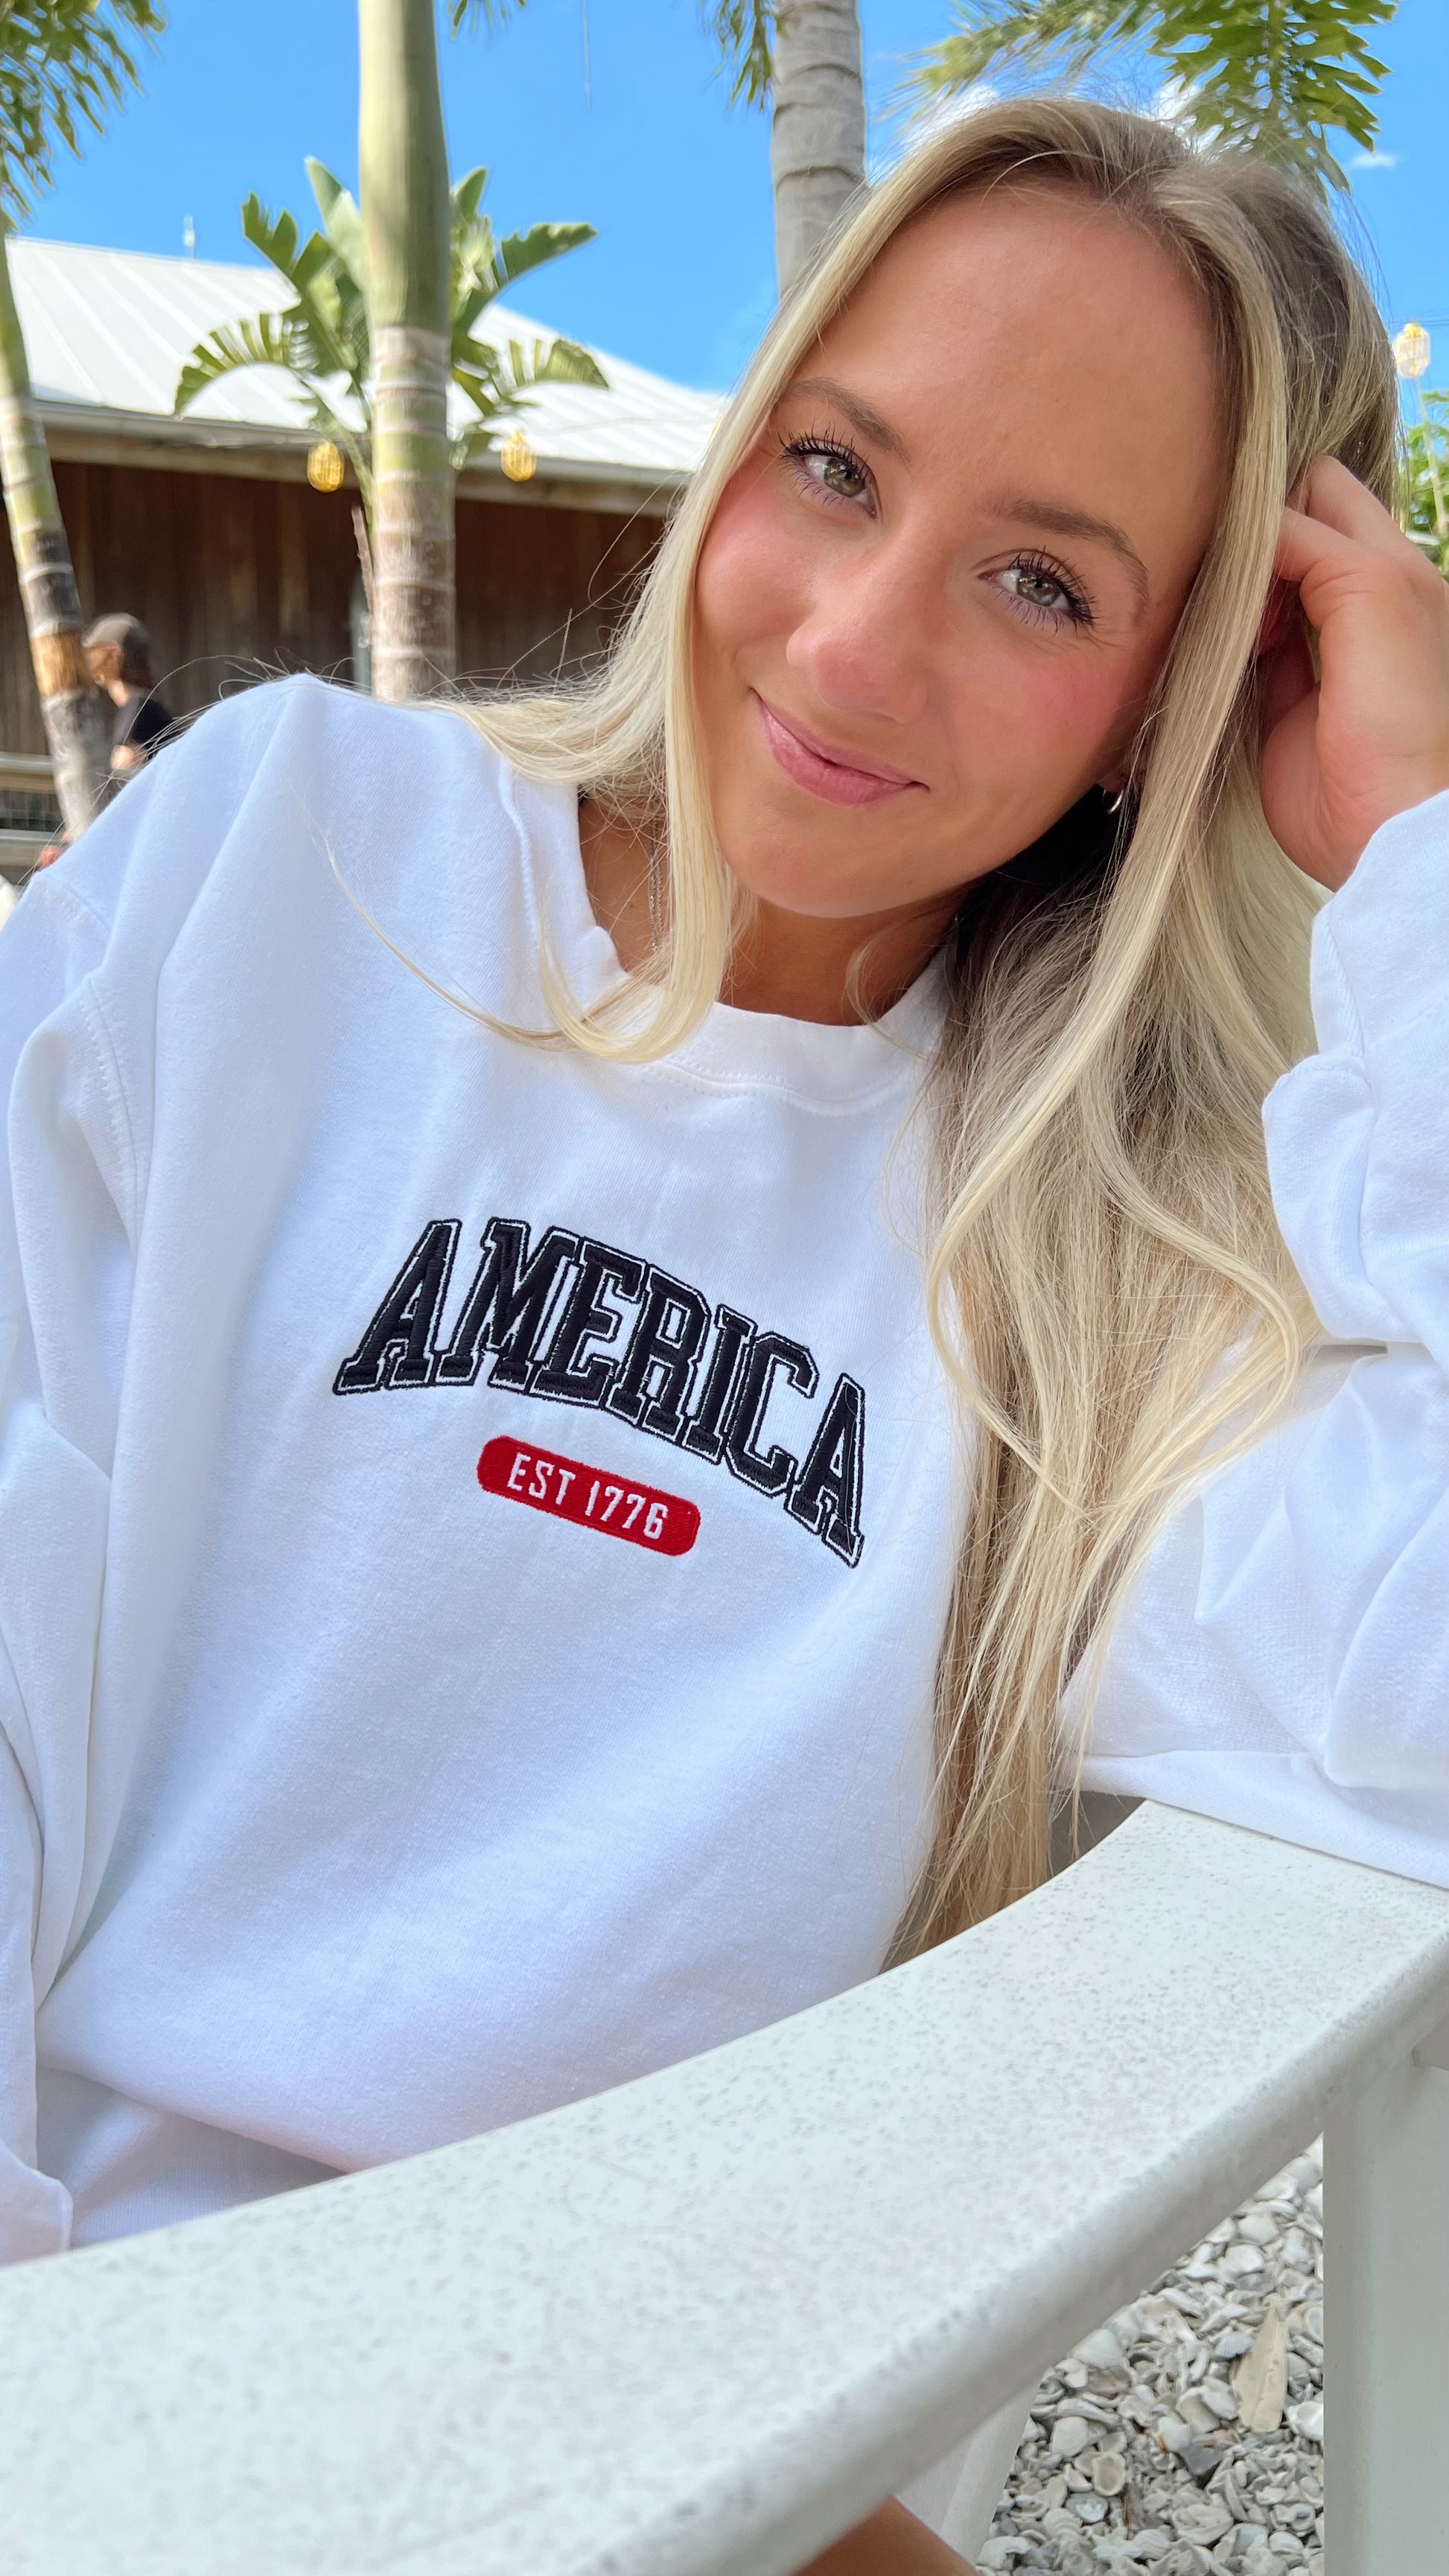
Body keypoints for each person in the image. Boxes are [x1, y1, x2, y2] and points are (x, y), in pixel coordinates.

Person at [1, 98, 1447, 2575]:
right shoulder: (293, 857)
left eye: (1043, 584)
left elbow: (1402, 1709)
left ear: (1178, 701)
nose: (854, 643)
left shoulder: (1120, 1261)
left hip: (677, 2450)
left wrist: (1417, 850)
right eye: (835, 467)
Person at [83, 611, 176, 775]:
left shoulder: (140, 709)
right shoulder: (145, 705)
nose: (88, 662)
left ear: (114, 654)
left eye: (93, 653)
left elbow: (124, 770)